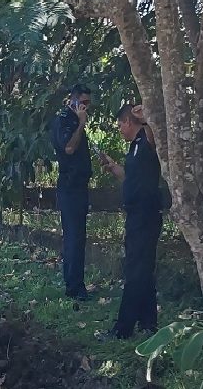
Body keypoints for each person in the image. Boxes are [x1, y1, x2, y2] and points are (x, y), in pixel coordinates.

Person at [100, 104, 162, 339]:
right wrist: (114, 167)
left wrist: (145, 118)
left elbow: (155, 136)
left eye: (119, 125)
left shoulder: (146, 141)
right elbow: (131, 180)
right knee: (143, 269)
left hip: (146, 215)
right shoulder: (133, 149)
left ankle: (122, 329)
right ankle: (148, 323)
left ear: (128, 122)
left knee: (135, 271)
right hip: (135, 214)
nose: (119, 130)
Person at [50, 83, 93, 301]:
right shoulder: (64, 121)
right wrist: (81, 125)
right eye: (83, 103)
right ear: (73, 100)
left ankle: (75, 282)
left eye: (88, 104)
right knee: (74, 237)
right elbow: (68, 148)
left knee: (78, 237)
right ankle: (74, 287)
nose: (86, 107)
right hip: (69, 187)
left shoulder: (75, 121)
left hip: (80, 186)